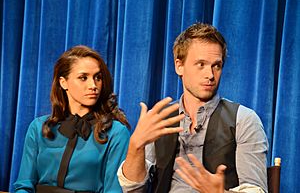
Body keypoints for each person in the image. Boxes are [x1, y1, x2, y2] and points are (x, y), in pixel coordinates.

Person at [117, 23, 268, 193]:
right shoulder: (160, 118)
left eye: (216, 66)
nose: (210, 75)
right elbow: (133, 189)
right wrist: (135, 146)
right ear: (179, 66)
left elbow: (256, 190)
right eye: (201, 64)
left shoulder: (244, 119)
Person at [14, 45, 131, 193]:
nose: (93, 85)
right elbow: (24, 185)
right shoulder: (38, 127)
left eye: (98, 78)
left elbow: (113, 190)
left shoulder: (116, 133)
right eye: (83, 78)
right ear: (63, 83)